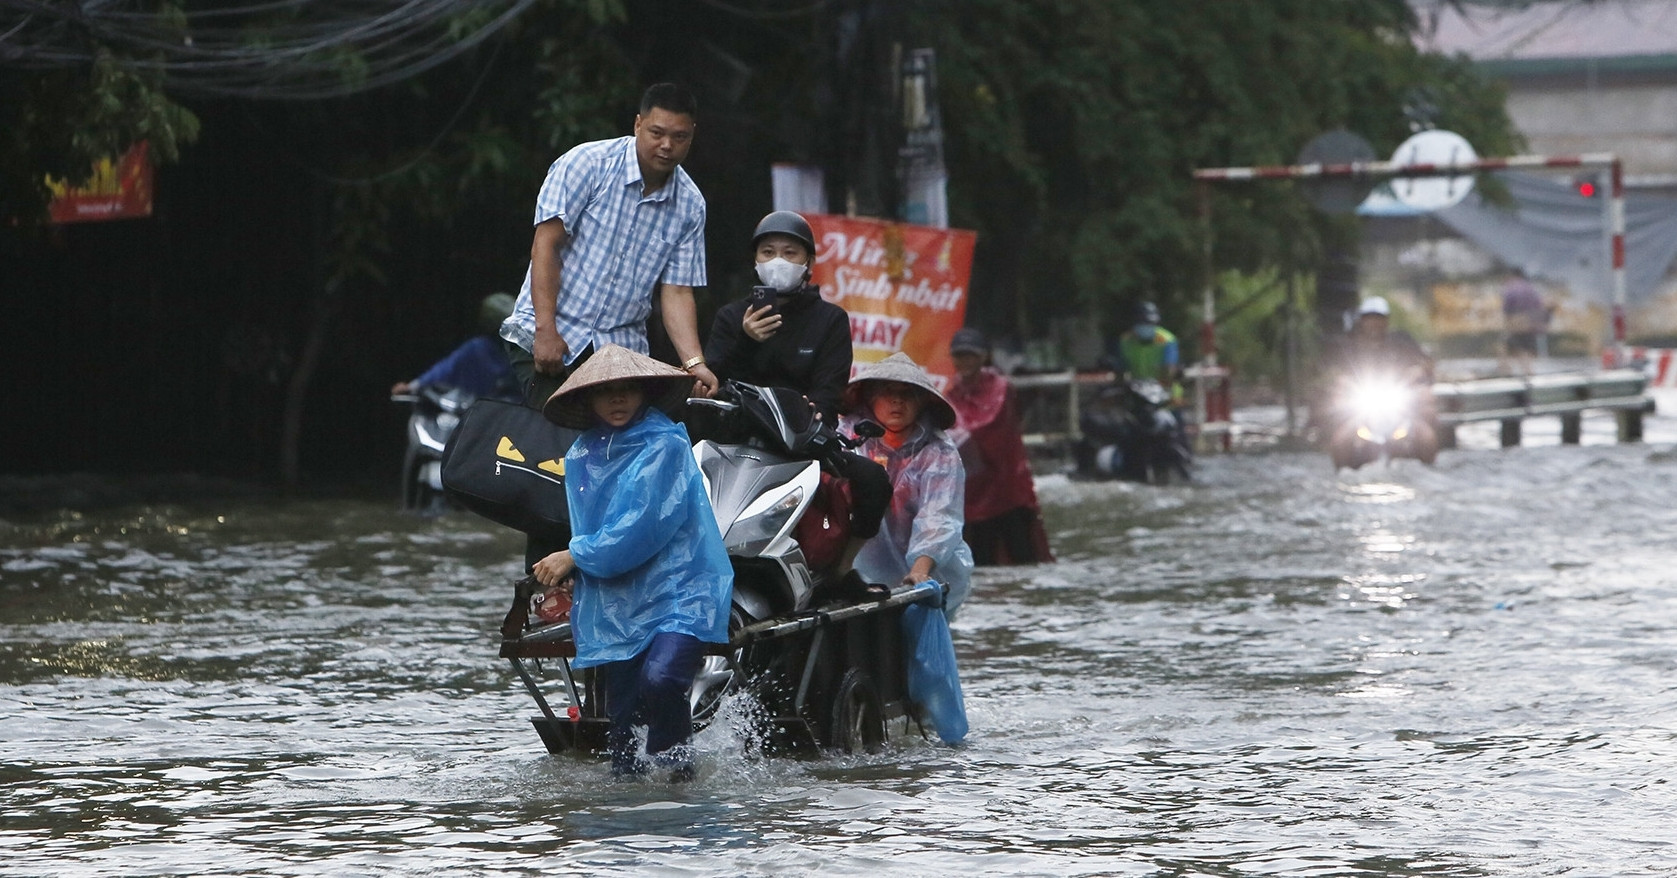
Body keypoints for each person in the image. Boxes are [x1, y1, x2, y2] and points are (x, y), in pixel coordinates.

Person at [499, 82, 717, 572]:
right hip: (549, 334)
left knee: (626, 464)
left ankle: (610, 579)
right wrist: (547, 330)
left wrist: (693, 362)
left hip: (619, 355)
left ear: (692, 137)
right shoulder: (587, 164)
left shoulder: (690, 204)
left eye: (679, 137)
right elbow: (546, 245)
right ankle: (545, 588)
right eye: (657, 132)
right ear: (638, 125)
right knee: (559, 466)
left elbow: (676, 292)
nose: (666, 145)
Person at [529, 345, 732, 781]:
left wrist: (576, 556)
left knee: (661, 679)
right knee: (623, 730)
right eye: (606, 391)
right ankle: (637, 801)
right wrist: (575, 567)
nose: (618, 399)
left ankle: (679, 779)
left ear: (644, 393)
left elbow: (641, 525)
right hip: (618, 598)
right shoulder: (582, 455)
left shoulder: (665, 444)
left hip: (681, 589)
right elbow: (585, 524)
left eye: (627, 389)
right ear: (589, 399)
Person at [704, 210, 892, 579]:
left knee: (873, 481)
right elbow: (714, 380)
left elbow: (829, 391)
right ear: (755, 261)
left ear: (808, 263)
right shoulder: (731, 317)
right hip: (736, 441)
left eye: (789, 253)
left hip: (804, 442)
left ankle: (840, 571)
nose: (778, 261)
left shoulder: (830, 320)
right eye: (768, 252)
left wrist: (813, 416)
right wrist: (746, 341)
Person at [841, 353, 974, 620]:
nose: (897, 401)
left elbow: (940, 515)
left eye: (907, 394)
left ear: (922, 401)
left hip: (929, 569)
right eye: (887, 392)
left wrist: (920, 571)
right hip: (856, 567)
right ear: (869, 396)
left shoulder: (939, 450)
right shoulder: (846, 437)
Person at [945, 328, 1053, 566]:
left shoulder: (1000, 388)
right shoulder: (951, 393)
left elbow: (991, 427)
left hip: (1007, 489)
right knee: (981, 563)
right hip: (974, 493)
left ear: (984, 356)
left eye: (971, 355)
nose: (965, 361)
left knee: (1022, 558)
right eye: (960, 355)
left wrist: (958, 436)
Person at [1320, 295, 1439, 463]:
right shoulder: (1349, 345)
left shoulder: (1401, 340)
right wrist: (1341, 381)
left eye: (1379, 318)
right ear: (1362, 320)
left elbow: (1424, 364)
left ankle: (1428, 462)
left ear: (1386, 320)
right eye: (1369, 318)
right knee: (1340, 440)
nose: (1374, 323)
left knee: (1426, 434)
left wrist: (1416, 372)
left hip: (1400, 400)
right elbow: (1335, 371)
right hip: (1361, 401)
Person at [390, 293, 519, 401]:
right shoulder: (478, 347)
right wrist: (413, 386)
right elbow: (445, 369)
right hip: (475, 410)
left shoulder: (520, 351)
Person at [1109, 301, 1184, 405]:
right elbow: (1121, 368)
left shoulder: (1166, 340)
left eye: (1150, 323)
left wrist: (1163, 390)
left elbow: (1169, 369)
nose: (1146, 327)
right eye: (1142, 323)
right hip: (1138, 393)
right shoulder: (1126, 340)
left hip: (1165, 394)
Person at [1500, 270, 1551, 376]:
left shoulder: (1511, 288)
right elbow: (1540, 307)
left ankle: (1506, 371)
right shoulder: (1532, 289)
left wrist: (1508, 324)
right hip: (1532, 325)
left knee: (1506, 346)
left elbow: (1507, 308)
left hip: (1518, 323)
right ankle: (1528, 372)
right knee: (1525, 349)